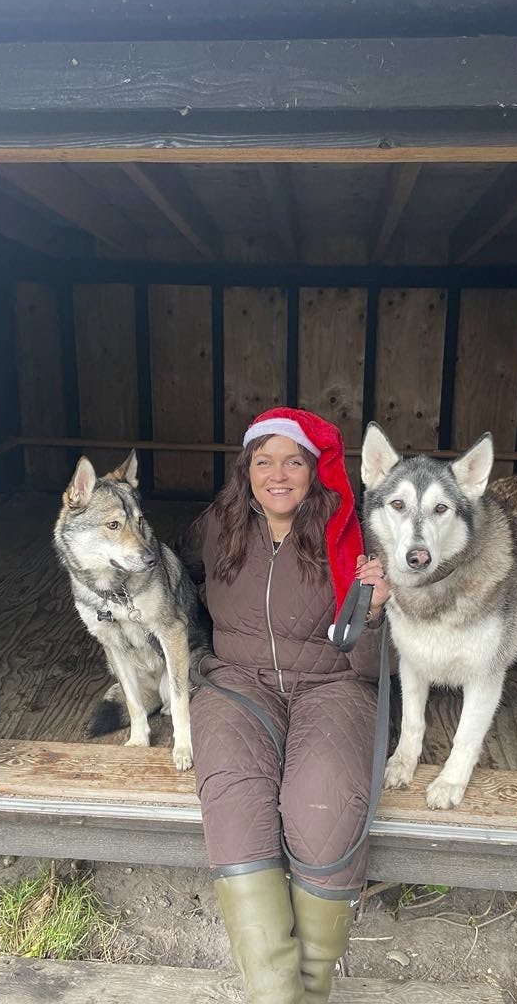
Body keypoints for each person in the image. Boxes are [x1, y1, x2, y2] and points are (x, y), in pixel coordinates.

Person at [180, 407, 390, 1003]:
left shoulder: (355, 535)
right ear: (246, 469)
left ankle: (312, 987)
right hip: (237, 684)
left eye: (293, 461)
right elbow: (173, 566)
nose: (277, 474)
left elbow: (375, 666)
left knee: (324, 802)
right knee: (234, 799)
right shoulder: (216, 525)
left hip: (335, 684)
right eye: (263, 460)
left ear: (315, 469)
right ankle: (276, 995)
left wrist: (373, 614)